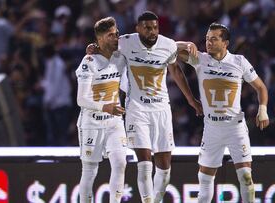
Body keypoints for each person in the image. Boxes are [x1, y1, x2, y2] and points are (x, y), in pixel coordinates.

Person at [86, 11, 202, 203]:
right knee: (145, 163)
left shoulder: (167, 45)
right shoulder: (126, 42)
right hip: (136, 110)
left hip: (161, 110)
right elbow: (106, 43)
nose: (152, 31)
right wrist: (94, 48)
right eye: (147, 28)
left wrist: (191, 100)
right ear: (138, 29)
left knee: (164, 169)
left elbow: (175, 68)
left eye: (155, 27)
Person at [177, 23, 269, 203]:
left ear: (225, 43)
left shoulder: (239, 62)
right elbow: (167, 50)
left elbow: (261, 87)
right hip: (212, 128)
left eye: (213, 39)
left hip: (235, 128)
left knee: (246, 178)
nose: (208, 43)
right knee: (204, 183)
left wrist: (263, 109)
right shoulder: (199, 59)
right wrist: (185, 44)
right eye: (206, 39)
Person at [75, 17, 127, 203]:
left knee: (121, 163)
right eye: (110, 35)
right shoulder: (88, 61)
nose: (116, 38)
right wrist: (105, 106)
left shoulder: (121, 57)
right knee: (90, 171)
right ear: (100, 39)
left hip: (114, 122)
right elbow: (81, 99)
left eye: (117, 34)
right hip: (92, 123)